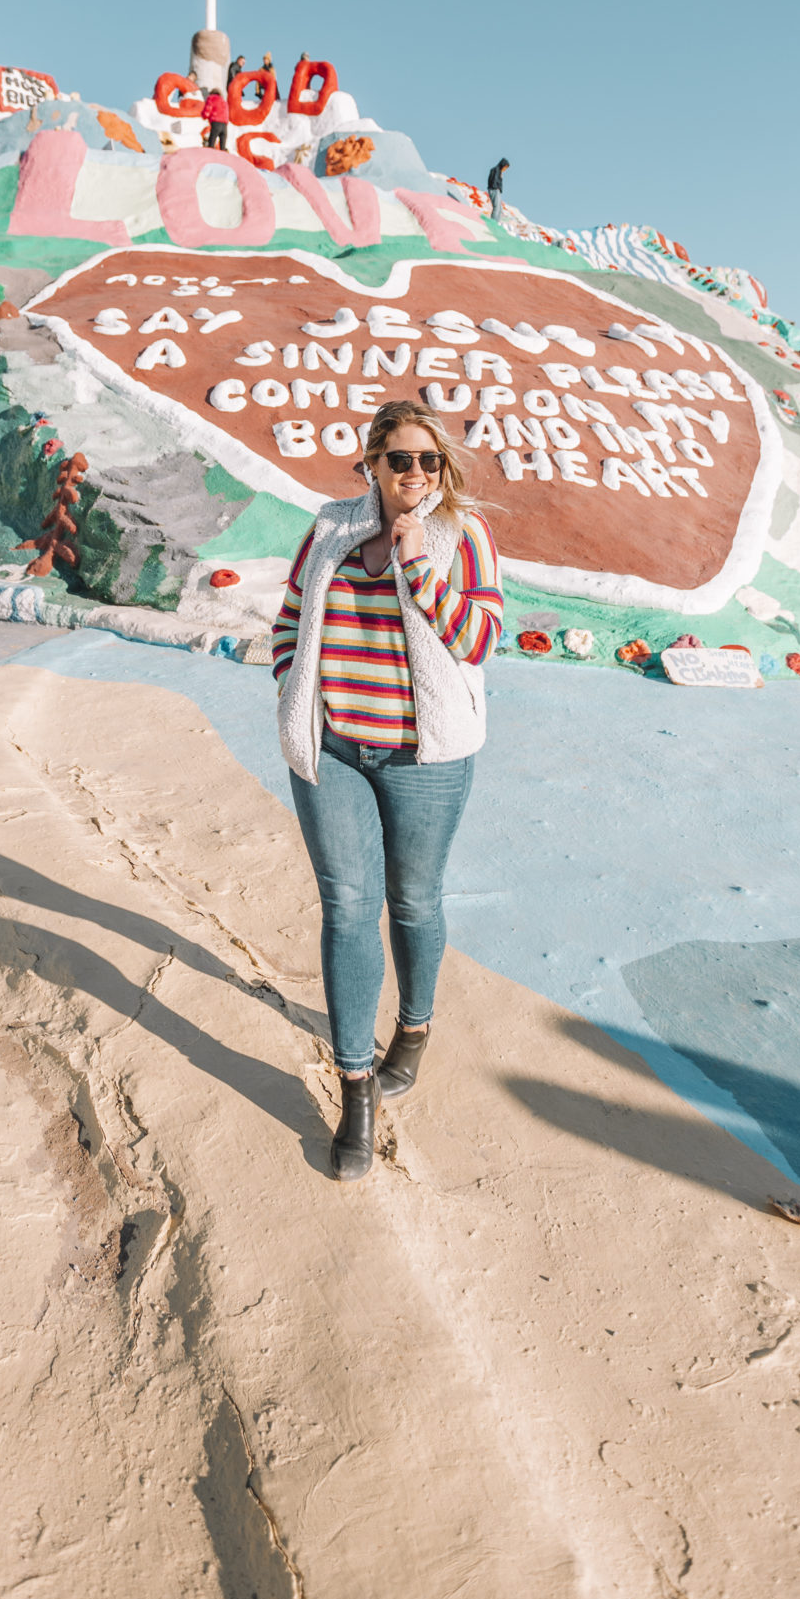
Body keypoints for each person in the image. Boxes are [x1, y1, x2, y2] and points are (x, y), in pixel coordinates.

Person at [271, 398, 502, 1181]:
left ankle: (413, 1027)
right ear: (370, 461)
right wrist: (290, 689)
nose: (412, 473)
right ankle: (356, 1090)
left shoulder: (461, 536)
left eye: (427, 461)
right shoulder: (331, 526)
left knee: (413, 901)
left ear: (444, 469)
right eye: (397, 458)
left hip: (426, 761)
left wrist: (416, 564)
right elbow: (291, 615)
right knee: (345, 909)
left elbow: (477, 641)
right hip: (334, 750)